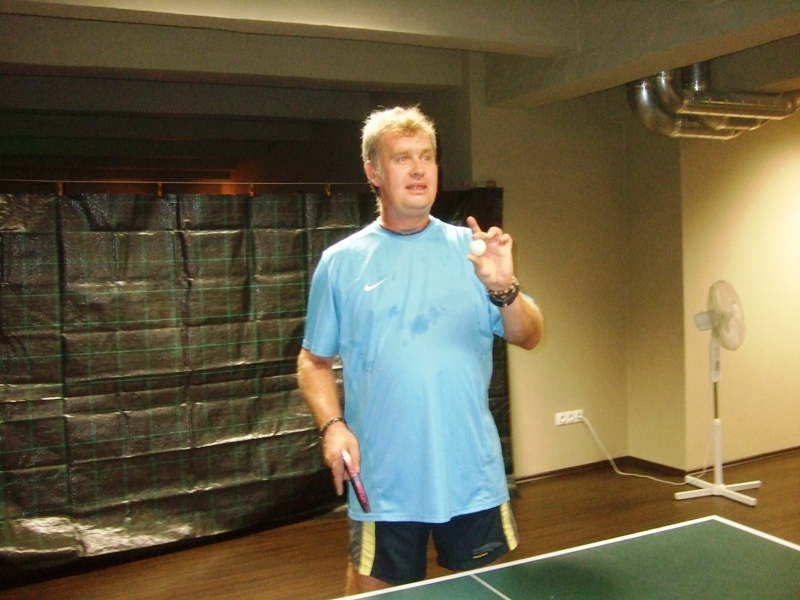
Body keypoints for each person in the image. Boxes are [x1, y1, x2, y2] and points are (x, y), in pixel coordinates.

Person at [297, 106, 543, 594]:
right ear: (373, 172)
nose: (418, 170)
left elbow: (529, 334)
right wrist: (333, 426)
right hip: (384, 480)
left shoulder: (474, 252)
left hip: (471, 476)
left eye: (426, 157)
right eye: (402, 158)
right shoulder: (340, 263)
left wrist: (504, 286)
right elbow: (313, 361)